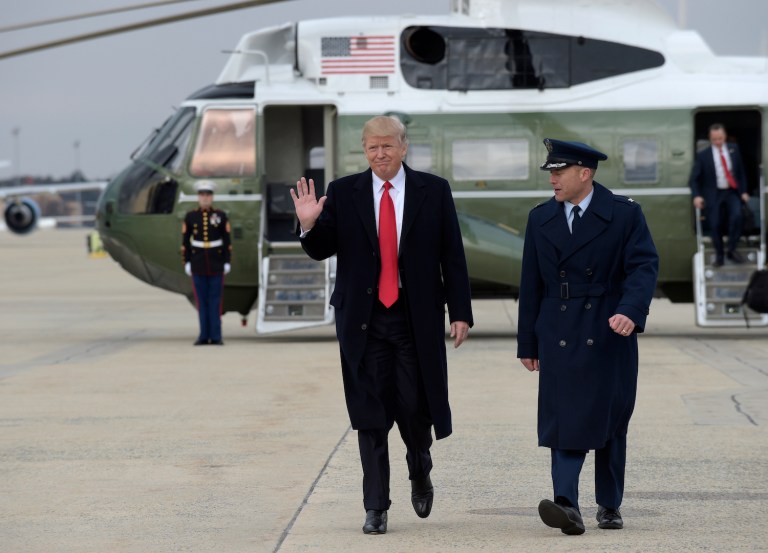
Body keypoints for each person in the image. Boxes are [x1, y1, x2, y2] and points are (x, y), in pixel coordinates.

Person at [291, 115, 473, 535]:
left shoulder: (434, 190)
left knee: (414, 410)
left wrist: (460, 311)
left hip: (415, 320)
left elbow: (453, 255)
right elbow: (321, 250)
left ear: (403, 147)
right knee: (370, 415)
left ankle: (419, 466)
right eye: (372, 147)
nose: (379, 154)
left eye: (387, 145)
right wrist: (307, 224)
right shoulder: (344, 192)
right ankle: (376, 506)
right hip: (363, 323)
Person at [517, 139, 659, 535]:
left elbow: (643, 266)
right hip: (558, 330)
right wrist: (527, 342)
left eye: (560, 171)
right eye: (550, 172)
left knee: (611, 420)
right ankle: (566, 503)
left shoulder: (624, 214)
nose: (553, 178)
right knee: (563, 418)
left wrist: (631, 311)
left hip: (608, 329)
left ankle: (609, 504)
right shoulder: (540, 218)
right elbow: (530, 284)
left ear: (585, 173)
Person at [689, 123, 750, 267]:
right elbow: (694, 179)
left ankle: (732, 249)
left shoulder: (734, 149)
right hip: (713, 193)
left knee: (737, 216)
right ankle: (720, 255)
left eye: (720, 138)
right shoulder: (703, 155)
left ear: (725, 136)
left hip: (731, 191)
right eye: (715, 139)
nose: (718, 142)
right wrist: (697, 196)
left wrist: (744, 191)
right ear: (710, 139)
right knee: (715, 224)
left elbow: (740, 172)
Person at [181, 180, 231, 345]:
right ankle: (204, 335)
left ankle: (216, 336)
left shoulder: (220, 215)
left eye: (208, 195)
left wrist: (226, 261)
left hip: (216, 263)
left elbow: (226, 240)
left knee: (215, 302)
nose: (205, 198)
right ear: (198, 197)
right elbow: (185, 242)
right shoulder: (190, 217)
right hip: (198, 263)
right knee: (201, 302)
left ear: (212, 197)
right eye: (202, 195)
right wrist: (187, 261)